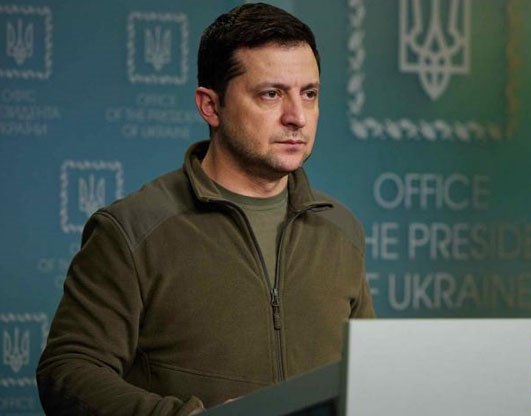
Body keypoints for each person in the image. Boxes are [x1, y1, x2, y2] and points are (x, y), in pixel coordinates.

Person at [36, 3, 375, 414]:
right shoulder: (132, 230)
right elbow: (68, 372)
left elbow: (368, 377)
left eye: (309, 94)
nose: (297, 117)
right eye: (271, 94)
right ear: (210, 106)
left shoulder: (340, 228)